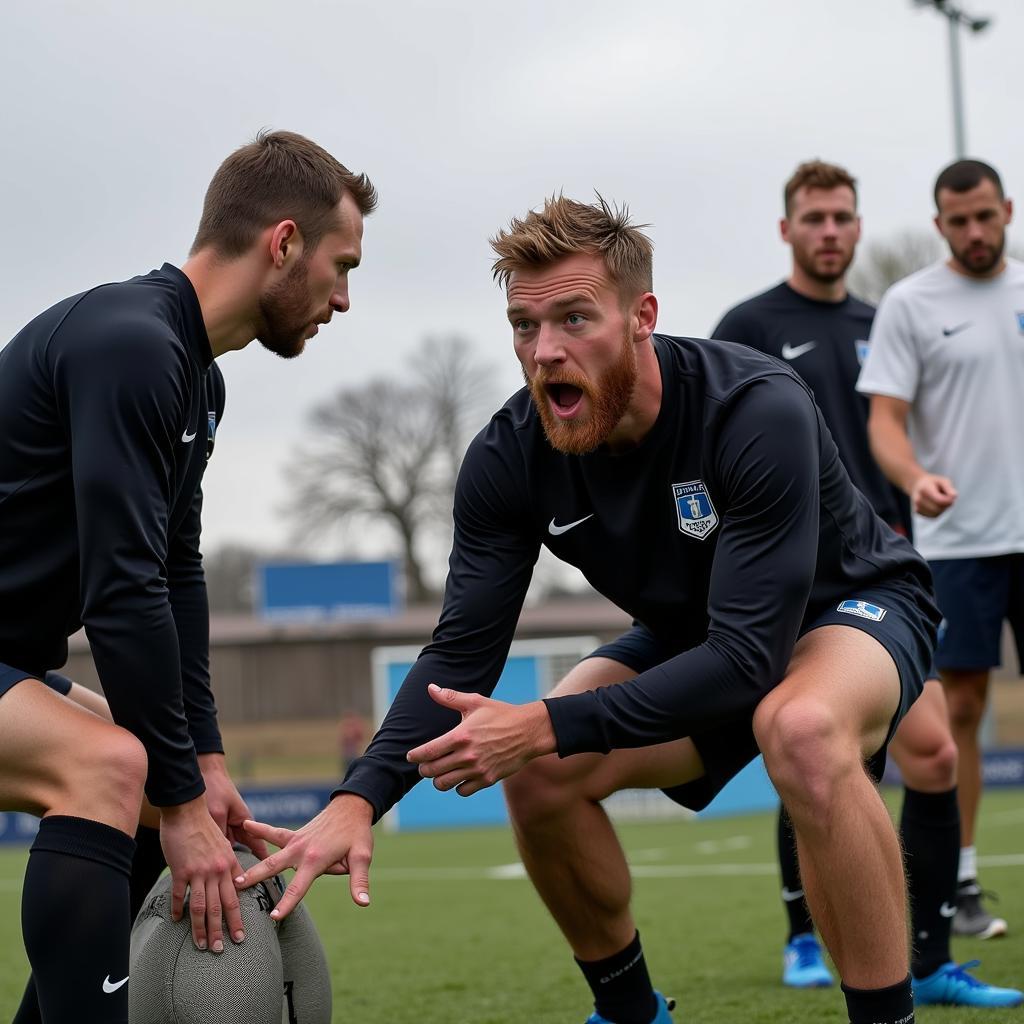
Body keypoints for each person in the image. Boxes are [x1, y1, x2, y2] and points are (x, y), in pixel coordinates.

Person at [241, 195, 943, 1024]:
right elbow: (460, 651)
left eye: (575, 318)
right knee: (538, 773)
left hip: (844, 609)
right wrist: (358, 798)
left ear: (642, 316)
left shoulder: (753, 407)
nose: (545, 352)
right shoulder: (508, 457)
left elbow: (753, 659)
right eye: (525, 326)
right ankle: (631, 1011)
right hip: (698, 636)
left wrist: (543, 721)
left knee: (799, 729)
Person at [0, 129, 375, 1024]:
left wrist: (203, 765)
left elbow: (174, 578)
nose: (346, 299)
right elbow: (120, 593)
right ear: (282, 244)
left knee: (139, 769)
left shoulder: (195, 381)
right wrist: (174, 793)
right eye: (341, 265)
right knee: (112, 762)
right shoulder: (130, 344)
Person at [712, 160, 1020, 1008]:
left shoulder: (882, 320)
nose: (830, 232)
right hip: (793, 576)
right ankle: (805, 936)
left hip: (882, 566)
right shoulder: (748, 323)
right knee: (815, 742)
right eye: (813, 218)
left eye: (843, 217)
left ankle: (925, 957)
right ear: (788, 230)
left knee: (927, 750)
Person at [858, 158, 1024, 943]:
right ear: (940, 225)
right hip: (957, 541)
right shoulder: (910, 303)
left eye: (986, 216)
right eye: (959, 221)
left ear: (1007, 210)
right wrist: (914, 477)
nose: (975, 232)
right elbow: (885, 420)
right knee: (957, 707)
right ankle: (960, 885)